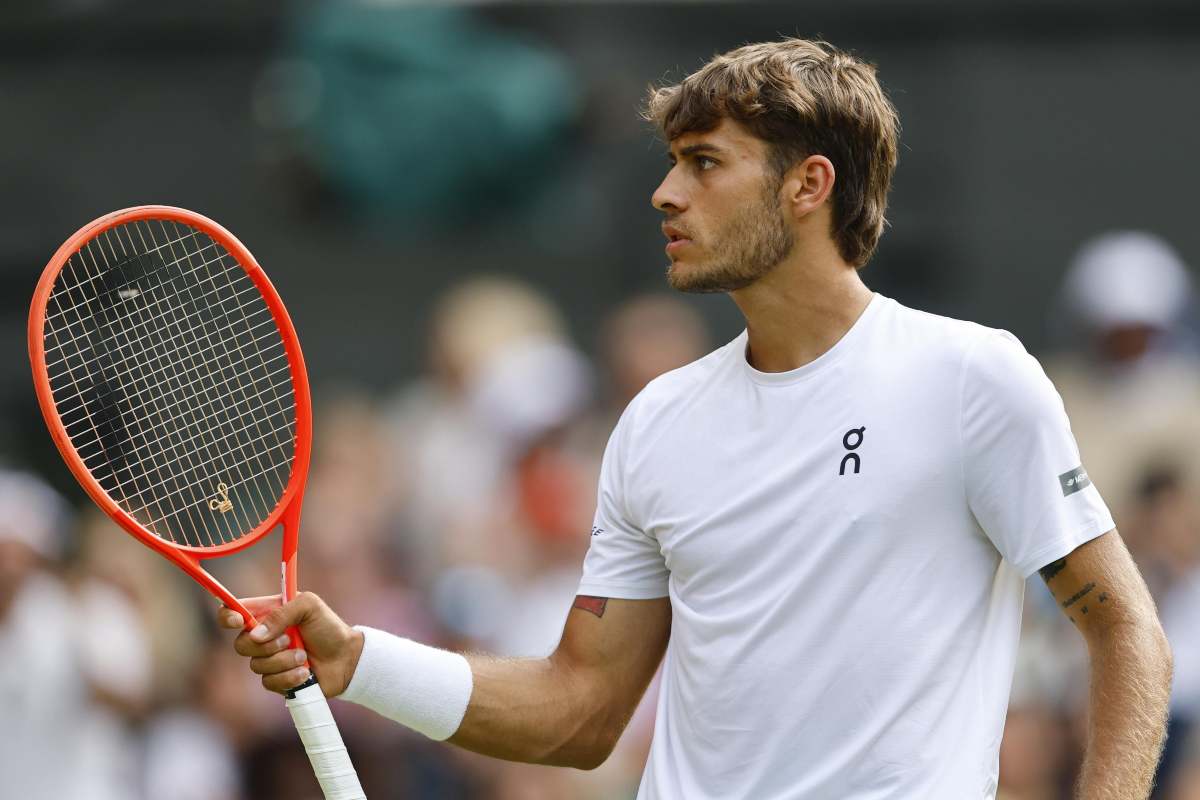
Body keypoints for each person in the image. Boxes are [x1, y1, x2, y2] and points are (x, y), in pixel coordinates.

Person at [220, 38, 1172, 799]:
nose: (665, 194)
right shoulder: (658, 422)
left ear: (809, 185)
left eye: (704, 163)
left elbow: (1128, 633)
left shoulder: (972, 378)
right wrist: (359, 662)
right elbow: (579, 711)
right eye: (673, 163)